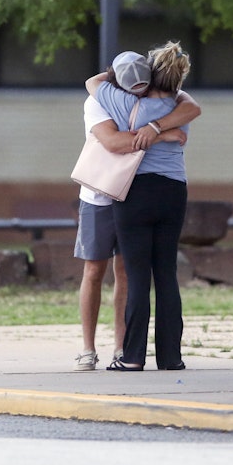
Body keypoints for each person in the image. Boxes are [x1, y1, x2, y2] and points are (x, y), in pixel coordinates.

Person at [74, 57, 200, 371]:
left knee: (136, 275)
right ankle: (170, 357)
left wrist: (151, 129)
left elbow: (92, 82)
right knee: (165, 275)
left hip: (134, 192)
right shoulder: (173, 103)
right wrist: (161, 132)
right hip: (163, 191)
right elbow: (193, 108)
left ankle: (130, 355)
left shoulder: (122, 99)